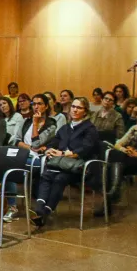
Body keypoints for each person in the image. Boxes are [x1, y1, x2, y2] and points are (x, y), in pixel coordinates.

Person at [31, 97, 101, 227]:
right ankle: (40, 208)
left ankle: (45, 212)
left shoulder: (90, 128)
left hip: (78, 166)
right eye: (73, 107)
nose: (74, 110)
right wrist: (48, 150)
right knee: (46, 175)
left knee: (60, 178)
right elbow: (54, 142)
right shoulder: (65, 128)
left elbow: (85, 149)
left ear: (85, 111)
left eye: (79, 107)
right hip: (60, 163)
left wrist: (64, 153)